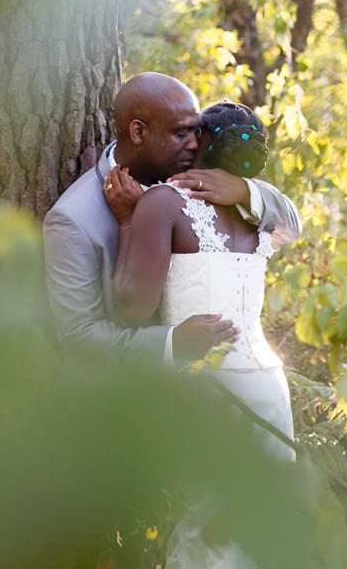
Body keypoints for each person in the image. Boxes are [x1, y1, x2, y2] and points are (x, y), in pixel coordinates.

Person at [103, 100, 296, 568]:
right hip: (268, 387)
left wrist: (128, 221)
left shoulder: (163, 203)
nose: (186, 143)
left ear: (205, 141)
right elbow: (292, 227)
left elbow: (131, 308)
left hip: (209, 389)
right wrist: (248, 189)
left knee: (203, 529)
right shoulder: (257, 212)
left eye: (193, 134)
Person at [43, 73, 301, 363]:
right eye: (181, 134)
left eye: (197, 131)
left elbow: (292, 225)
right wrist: (171, 343)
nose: (195, 144)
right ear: (139, 133)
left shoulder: (200, 180)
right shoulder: (74, 219)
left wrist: (244, 190)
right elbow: (79, 335)